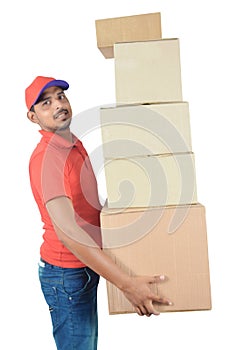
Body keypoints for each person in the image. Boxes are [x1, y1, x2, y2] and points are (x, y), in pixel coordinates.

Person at [25, 76, 172, 350]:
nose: (58, 104)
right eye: (46, 103)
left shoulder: (72, 142)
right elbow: (68, 233)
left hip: (85, 266)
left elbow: (87, 204)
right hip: (66, 274)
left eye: (60, 96)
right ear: (33, 117)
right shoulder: (47, 159)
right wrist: (126, 283)